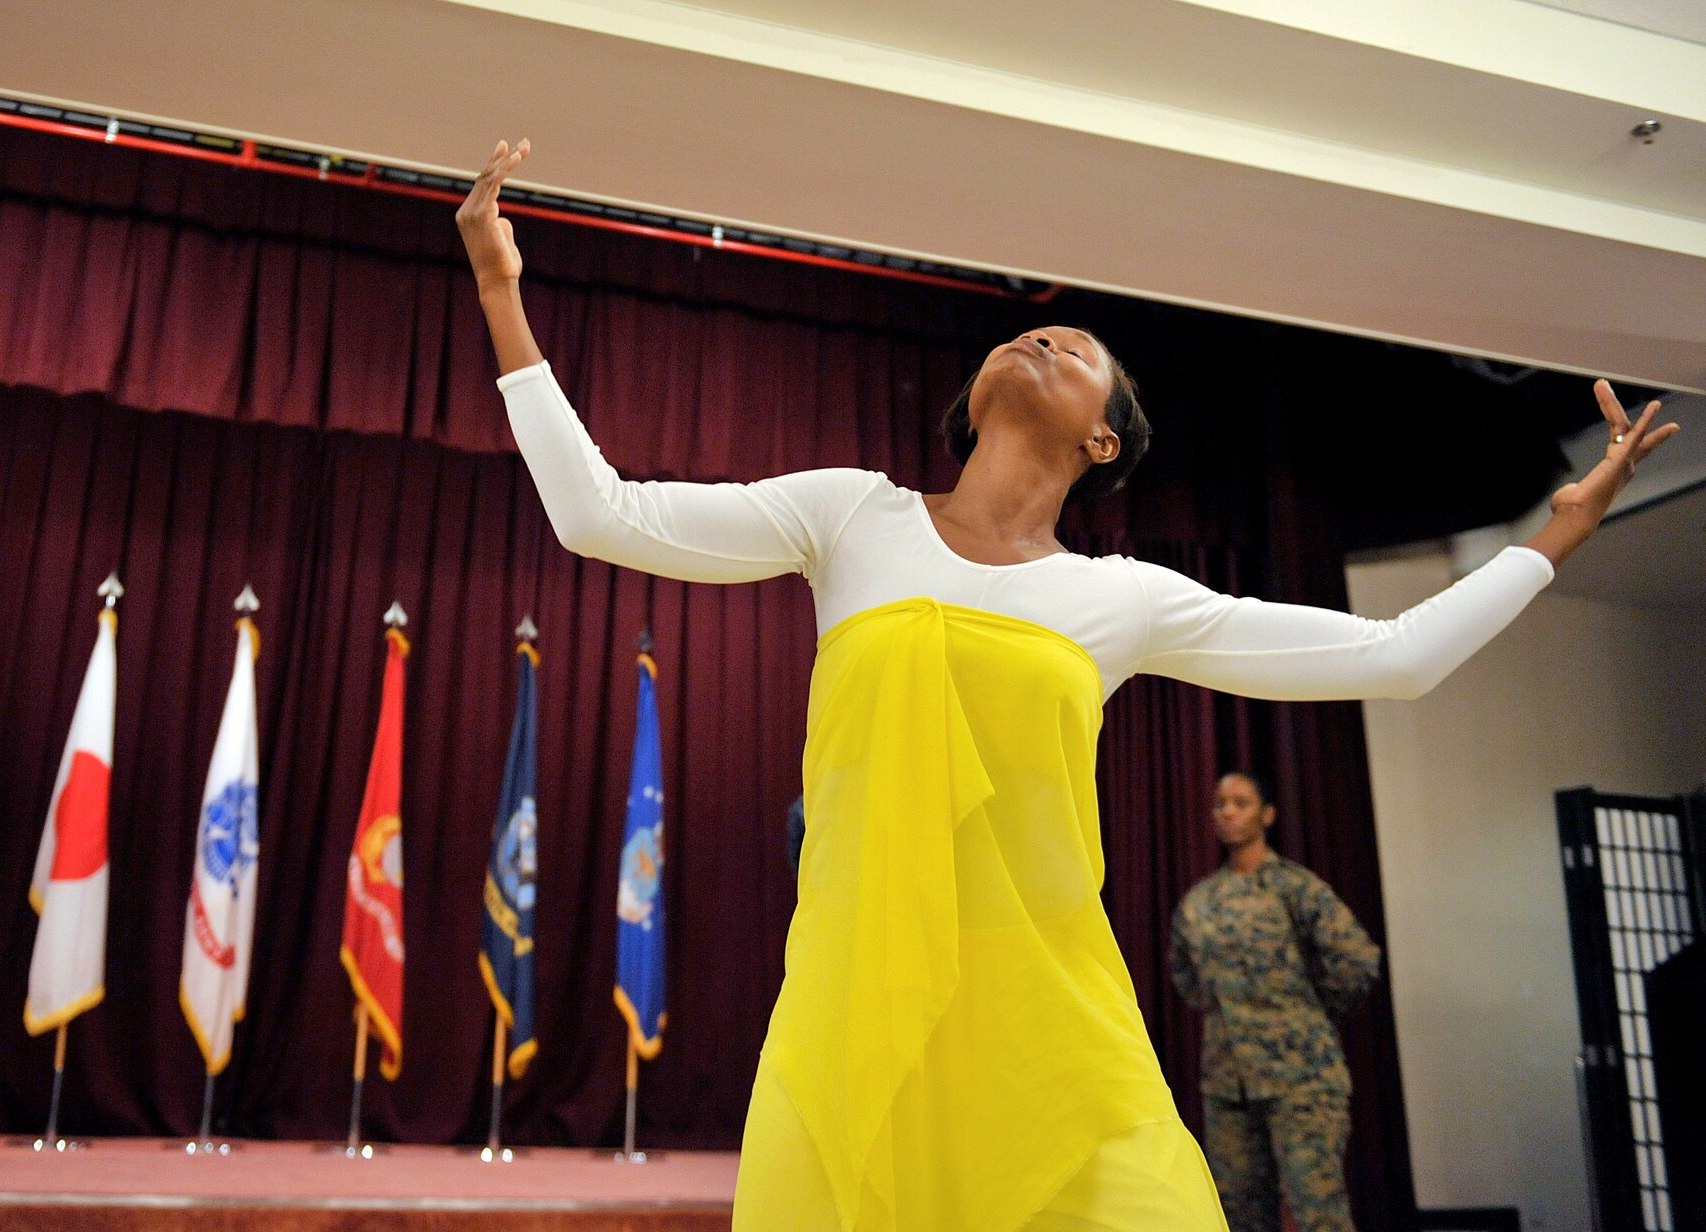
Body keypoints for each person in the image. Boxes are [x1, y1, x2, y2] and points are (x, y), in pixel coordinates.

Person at [454, 138, 1677, 1231]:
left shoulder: (1122, 597)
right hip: (856, 1001)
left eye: (1073, 345)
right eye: (1025, 332)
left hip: (1050, 1020)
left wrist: (1553, 533)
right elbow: (595, 512)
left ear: (1103, 440)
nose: (1036, 336)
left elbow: (1394, 656)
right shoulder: (850, 517)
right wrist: (503, 292)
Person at [1170, 771, 1383, 1232]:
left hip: (1301, 1081)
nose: (1227, 811)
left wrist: (1311, 1016)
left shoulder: (1295, 888)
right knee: (1238, 1215)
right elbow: (1185, 974)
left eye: (1241, 802)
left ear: (1266, 815)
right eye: (1220, 802)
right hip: (1229, 1086)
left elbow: (1357, 960)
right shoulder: (1200, 901)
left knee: (1317, 1211)